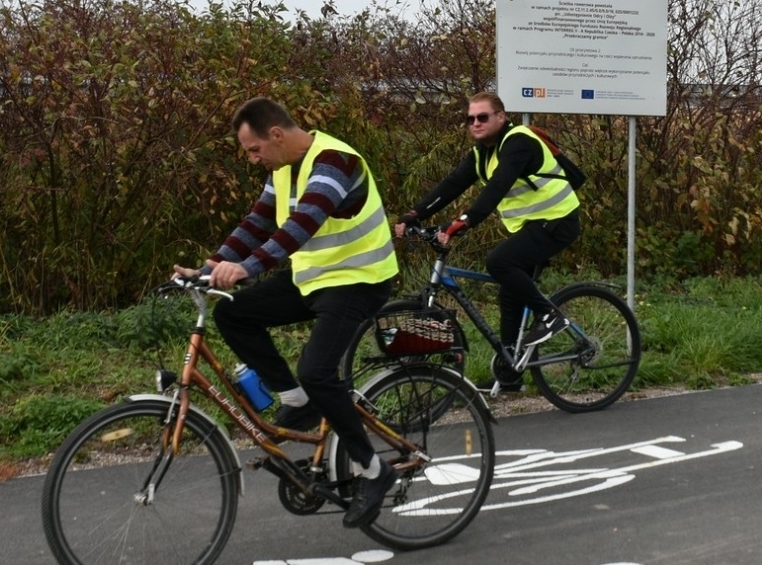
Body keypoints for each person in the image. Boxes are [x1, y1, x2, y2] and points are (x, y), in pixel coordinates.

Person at [174, 97, 399, 529]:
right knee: (234, 314)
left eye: (253, 150)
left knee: (317, 370)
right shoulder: (283, 169)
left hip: (359, 279)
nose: (253, 159)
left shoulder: (335, 160)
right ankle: (296, 401)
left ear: (276, 134)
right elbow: (257, 223)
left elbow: (303, 224)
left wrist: (247, 267)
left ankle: (374, 469)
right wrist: (209, 268)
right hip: (313, 278)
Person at [394, 92, 580, 381]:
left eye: (482, 117)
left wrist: (463, 222)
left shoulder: (518, 141)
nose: (475, 124)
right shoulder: (482, 153)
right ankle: (510, 371)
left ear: (501, 117)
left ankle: (551, 316)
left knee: (499, 262)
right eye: (470, 119)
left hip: (558, 220)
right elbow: (453, 183)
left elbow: (498, 186)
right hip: (530, 226)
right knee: (509, 293)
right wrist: (415, 214)